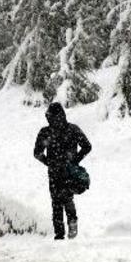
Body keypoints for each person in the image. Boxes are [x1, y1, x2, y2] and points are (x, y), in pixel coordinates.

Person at [33, 102, 91, 240]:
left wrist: (49, 162)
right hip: (68, 171)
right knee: (67, 198)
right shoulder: (73, 129)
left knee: (56, 203)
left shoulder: (46, 132)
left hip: (55, 172)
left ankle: (59, 235)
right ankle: (72, 226)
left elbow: (37, 153)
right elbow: (87, 146)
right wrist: (74, 160)